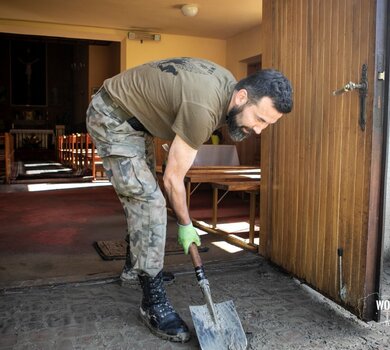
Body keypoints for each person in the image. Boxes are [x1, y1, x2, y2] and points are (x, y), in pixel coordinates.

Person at [86, 57, 293, 343]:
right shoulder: (204, 107)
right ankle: (152, 303)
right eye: (259, 119)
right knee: (150, 203)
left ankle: (136, 269)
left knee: (142, 198)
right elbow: (173, 178)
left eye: (267, 125)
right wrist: (186, 225)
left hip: (135, 123)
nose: (258, 130)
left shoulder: (227, 88)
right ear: (242, 96)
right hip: (111, 117)